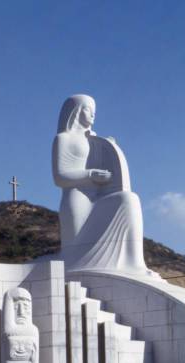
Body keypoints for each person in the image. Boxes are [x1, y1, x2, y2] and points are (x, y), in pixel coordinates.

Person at [53, 94, 151, 274]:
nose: (93, 115)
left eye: (94, 111)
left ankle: (135, 263)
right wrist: (91, 175)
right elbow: (60, 177)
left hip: (99, 194)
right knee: (77, 252)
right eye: (89, 110)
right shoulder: (64, 139)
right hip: (77, 197)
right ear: (76, 111)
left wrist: (108, 149)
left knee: (129, 200)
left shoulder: (94, 139)